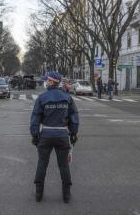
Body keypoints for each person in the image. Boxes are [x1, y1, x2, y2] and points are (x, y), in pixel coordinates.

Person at [30, 71, 79, 203]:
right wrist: (73, 133)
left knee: (42, 164)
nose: (46, 82)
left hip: (46, 134)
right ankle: (66, 194)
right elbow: (74, 117)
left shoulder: (42, 98)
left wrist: (35, 135)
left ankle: (39, 193)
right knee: (64, 165)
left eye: (47, 80)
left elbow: (35, 118)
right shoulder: (67, 97)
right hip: (62, 135)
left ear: (52, 82)